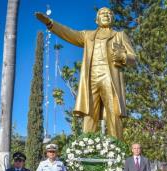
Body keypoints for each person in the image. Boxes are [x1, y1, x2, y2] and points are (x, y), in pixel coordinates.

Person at [35, 7, 136, 139]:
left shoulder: (119, 35)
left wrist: (122, 56)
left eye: (109, 13)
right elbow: (69, 33)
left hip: (110, 78)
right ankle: (87, 148)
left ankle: (117, 148)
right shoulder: (87, 35)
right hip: (91, 77)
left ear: (113, 18)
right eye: (102, 13)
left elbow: (133, 58)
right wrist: (50, 24)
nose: (106, 15)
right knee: (89, 113)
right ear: (96, 19)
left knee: (114, 113)